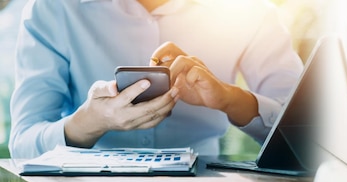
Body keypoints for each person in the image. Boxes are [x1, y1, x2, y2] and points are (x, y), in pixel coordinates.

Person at [9, 0, 303, 159]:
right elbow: (23, 145)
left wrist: (229, 98)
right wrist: (89, 122)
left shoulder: (249, 12)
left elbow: (306, 133)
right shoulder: (52, 9)